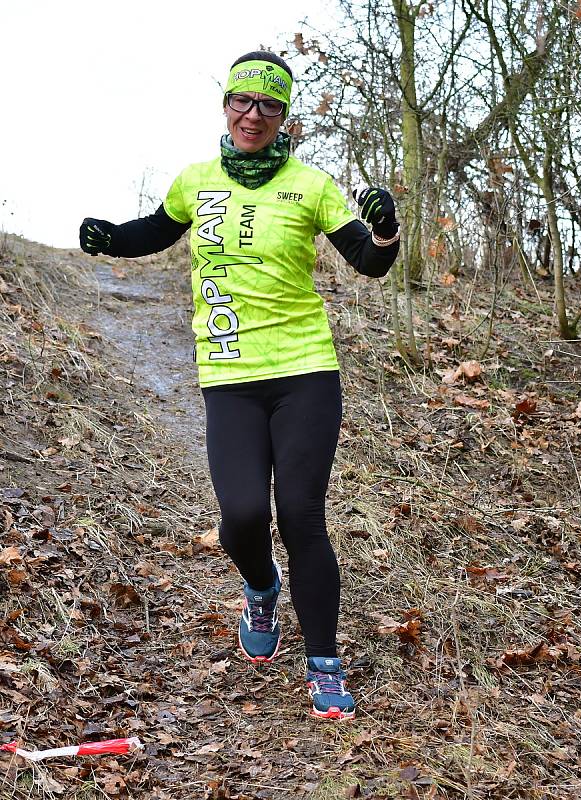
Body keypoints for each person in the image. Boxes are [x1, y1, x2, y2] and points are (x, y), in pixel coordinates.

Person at [79, 50, 400, 721]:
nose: (254, 115)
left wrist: (387, 228)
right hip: (228, 374)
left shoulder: (311, 185)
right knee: (244, 517)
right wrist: (109, 237)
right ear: (227, 105)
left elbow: (369, 263)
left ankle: (324, 663)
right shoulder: (197, 181)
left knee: (302, 516)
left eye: (269, 106)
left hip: (305, 370)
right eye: (243, 102)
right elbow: (153, 232)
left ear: (286, 118)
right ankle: (261, 586)